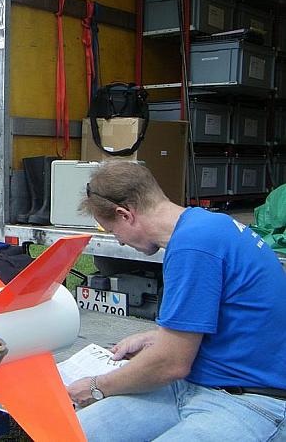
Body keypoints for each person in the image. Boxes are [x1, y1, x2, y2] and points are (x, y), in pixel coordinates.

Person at [66, 160, 286, 441]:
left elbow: (171, 365)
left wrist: (97, 386)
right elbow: (227, 319)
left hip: (250, 400)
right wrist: (158, 338)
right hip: (195, 384)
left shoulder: (192, 246)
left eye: (113, 232)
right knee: (72, 434)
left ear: (125, 214)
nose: (119, 242)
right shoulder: (204, 224)